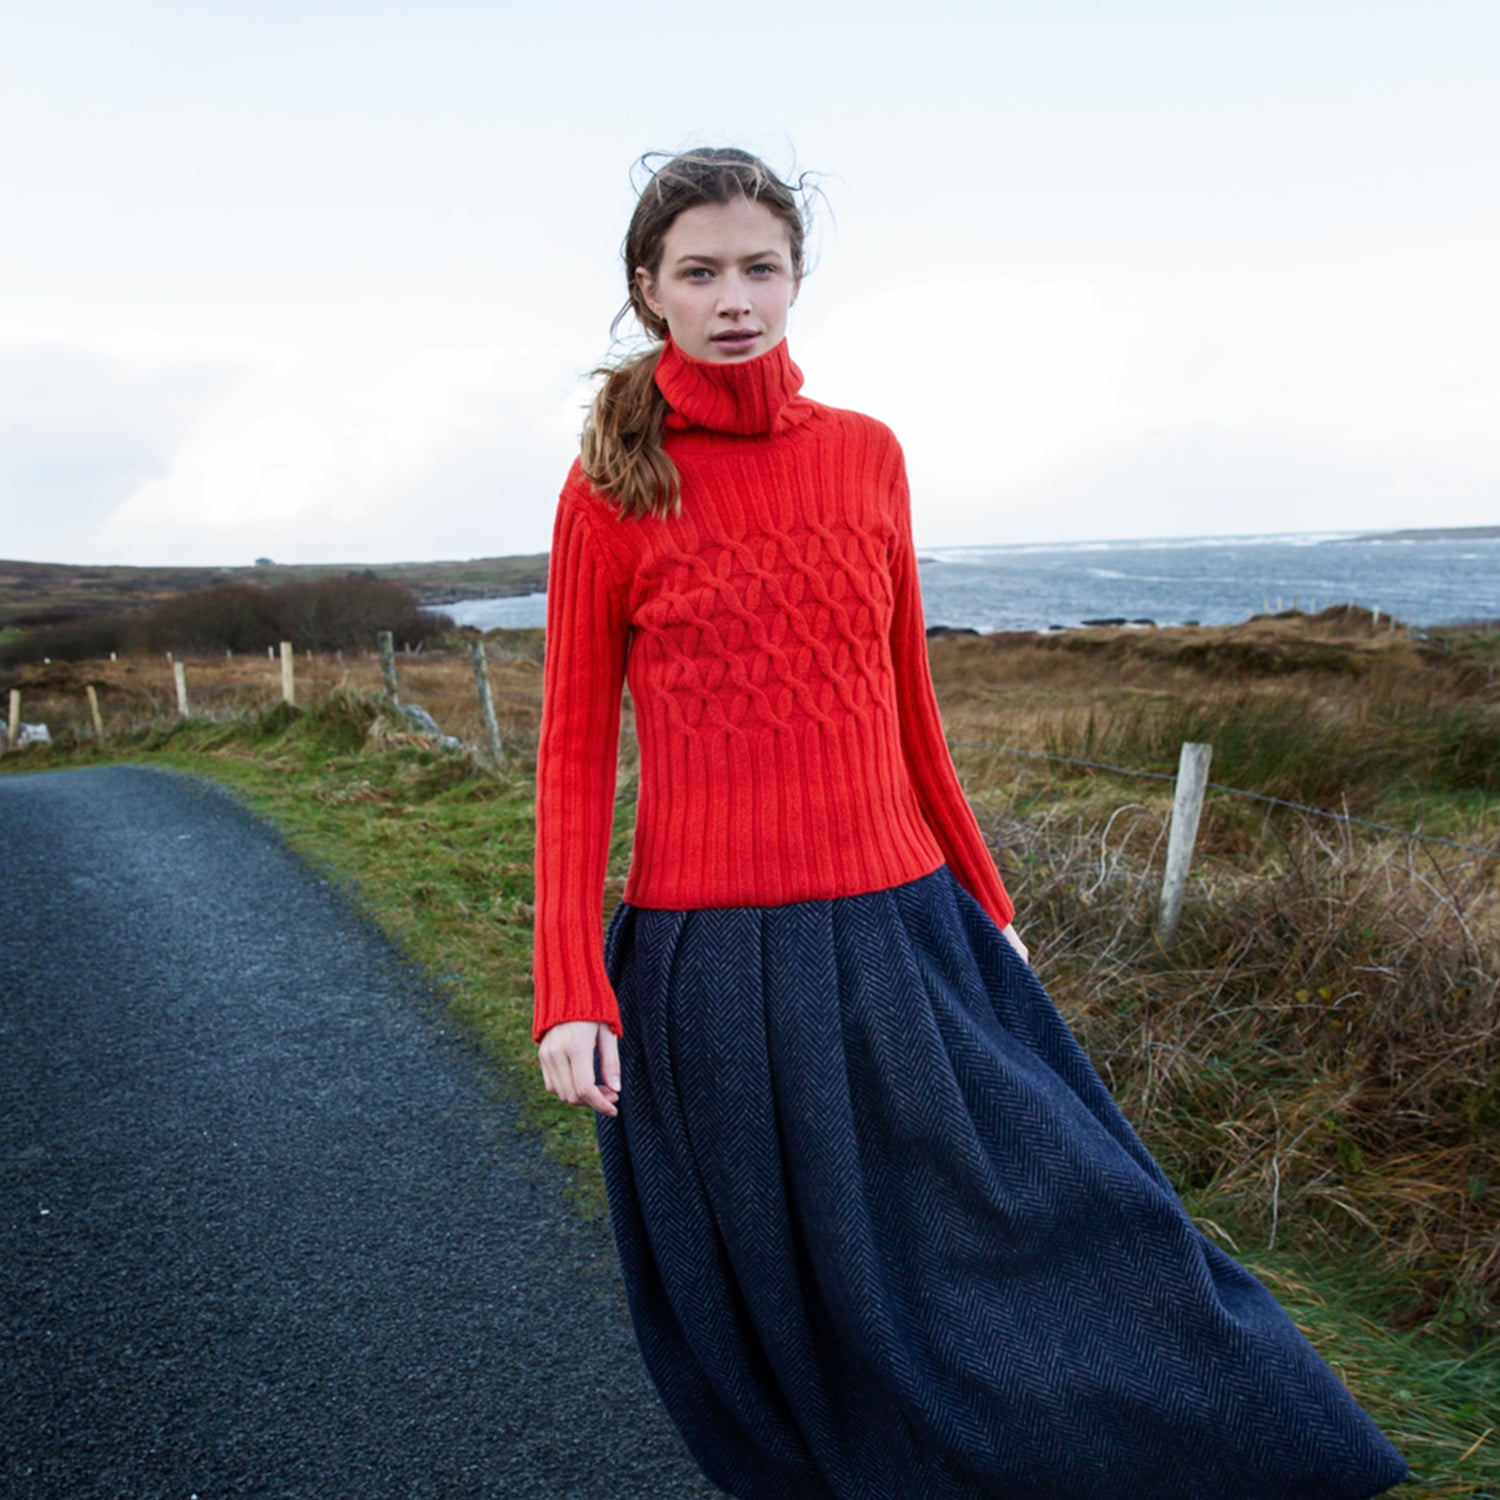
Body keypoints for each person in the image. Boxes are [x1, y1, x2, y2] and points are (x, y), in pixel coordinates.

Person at [532, 147, 1408, 1500]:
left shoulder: (866, 456)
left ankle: (1240, 1449)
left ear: (798, 278)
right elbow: (574, 754)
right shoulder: (609, 492)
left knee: (1061, 1215)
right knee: (792, 1283)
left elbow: (908, 703)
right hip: (711, 964)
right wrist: (568, 990)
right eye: (699, 272)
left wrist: (986, 904)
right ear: (649, 288)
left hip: (904, 924)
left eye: (761, 267)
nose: (734, 299)